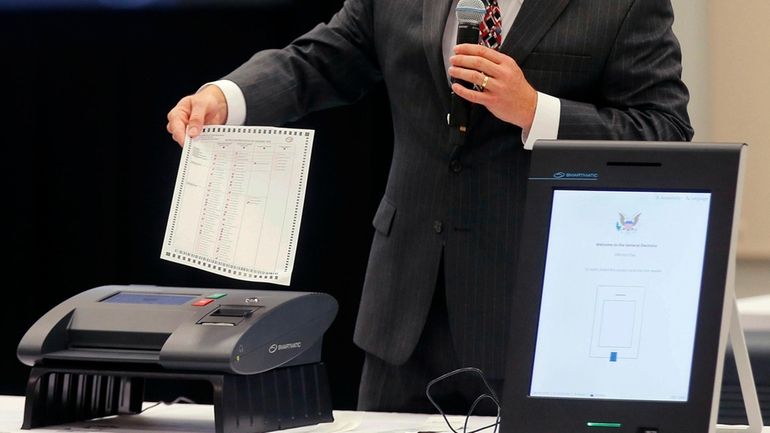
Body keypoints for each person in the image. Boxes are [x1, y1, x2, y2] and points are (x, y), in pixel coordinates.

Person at [166, 0, 693, 415]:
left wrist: (536, 111)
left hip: (535, 311)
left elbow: (665, 132)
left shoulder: (626, 4)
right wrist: (230, 96)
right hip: (403, 314)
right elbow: (322, 58)